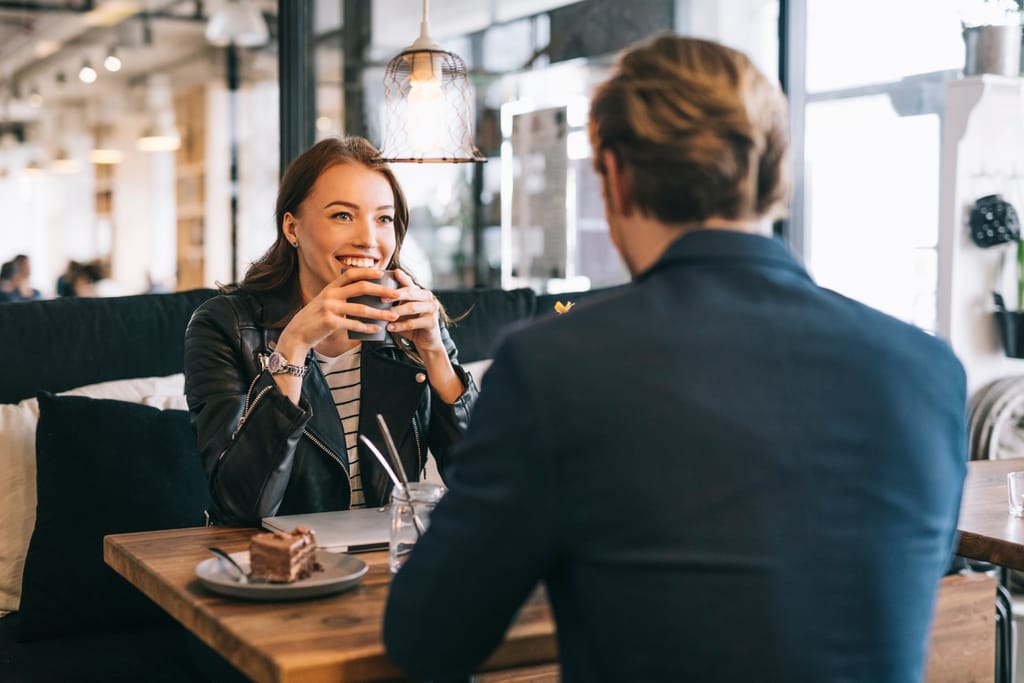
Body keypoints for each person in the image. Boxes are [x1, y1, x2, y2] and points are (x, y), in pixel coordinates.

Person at [383, 34, 967, 682]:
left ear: (617, 177)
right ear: (774, 175)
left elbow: (428, 635)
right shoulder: (928, 372)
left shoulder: (555, 367)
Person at [183, 136, 478, 527]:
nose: (369, 239)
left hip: (387, 554)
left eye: (383, 218)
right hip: (279, 566)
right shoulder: (224, 326)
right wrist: (292, 347)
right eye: (343, 215)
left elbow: (484, 480)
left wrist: (435, 354)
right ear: (292, 227)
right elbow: (242, 507)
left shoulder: (411, 319)